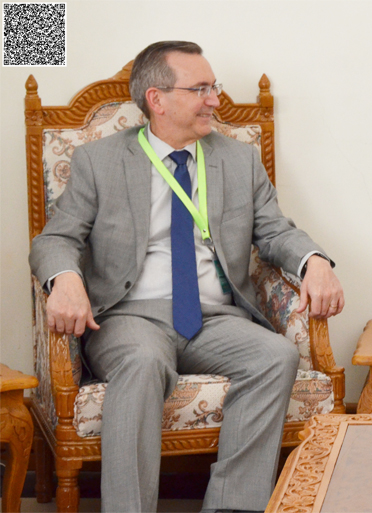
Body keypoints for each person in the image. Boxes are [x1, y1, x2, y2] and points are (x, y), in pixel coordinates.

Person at [29, 41, 344, 513]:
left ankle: (231, 505)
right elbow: (55, 239)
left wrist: (315, 261)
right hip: (130, 317)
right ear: (156, 99)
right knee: (142, 362)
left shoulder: (238, 160)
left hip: (215, 317)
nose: (214, 99)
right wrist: (65, 278)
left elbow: (276, 231)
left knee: (276, 355)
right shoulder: (99, 161)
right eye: (200, 89)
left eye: (214, 87)